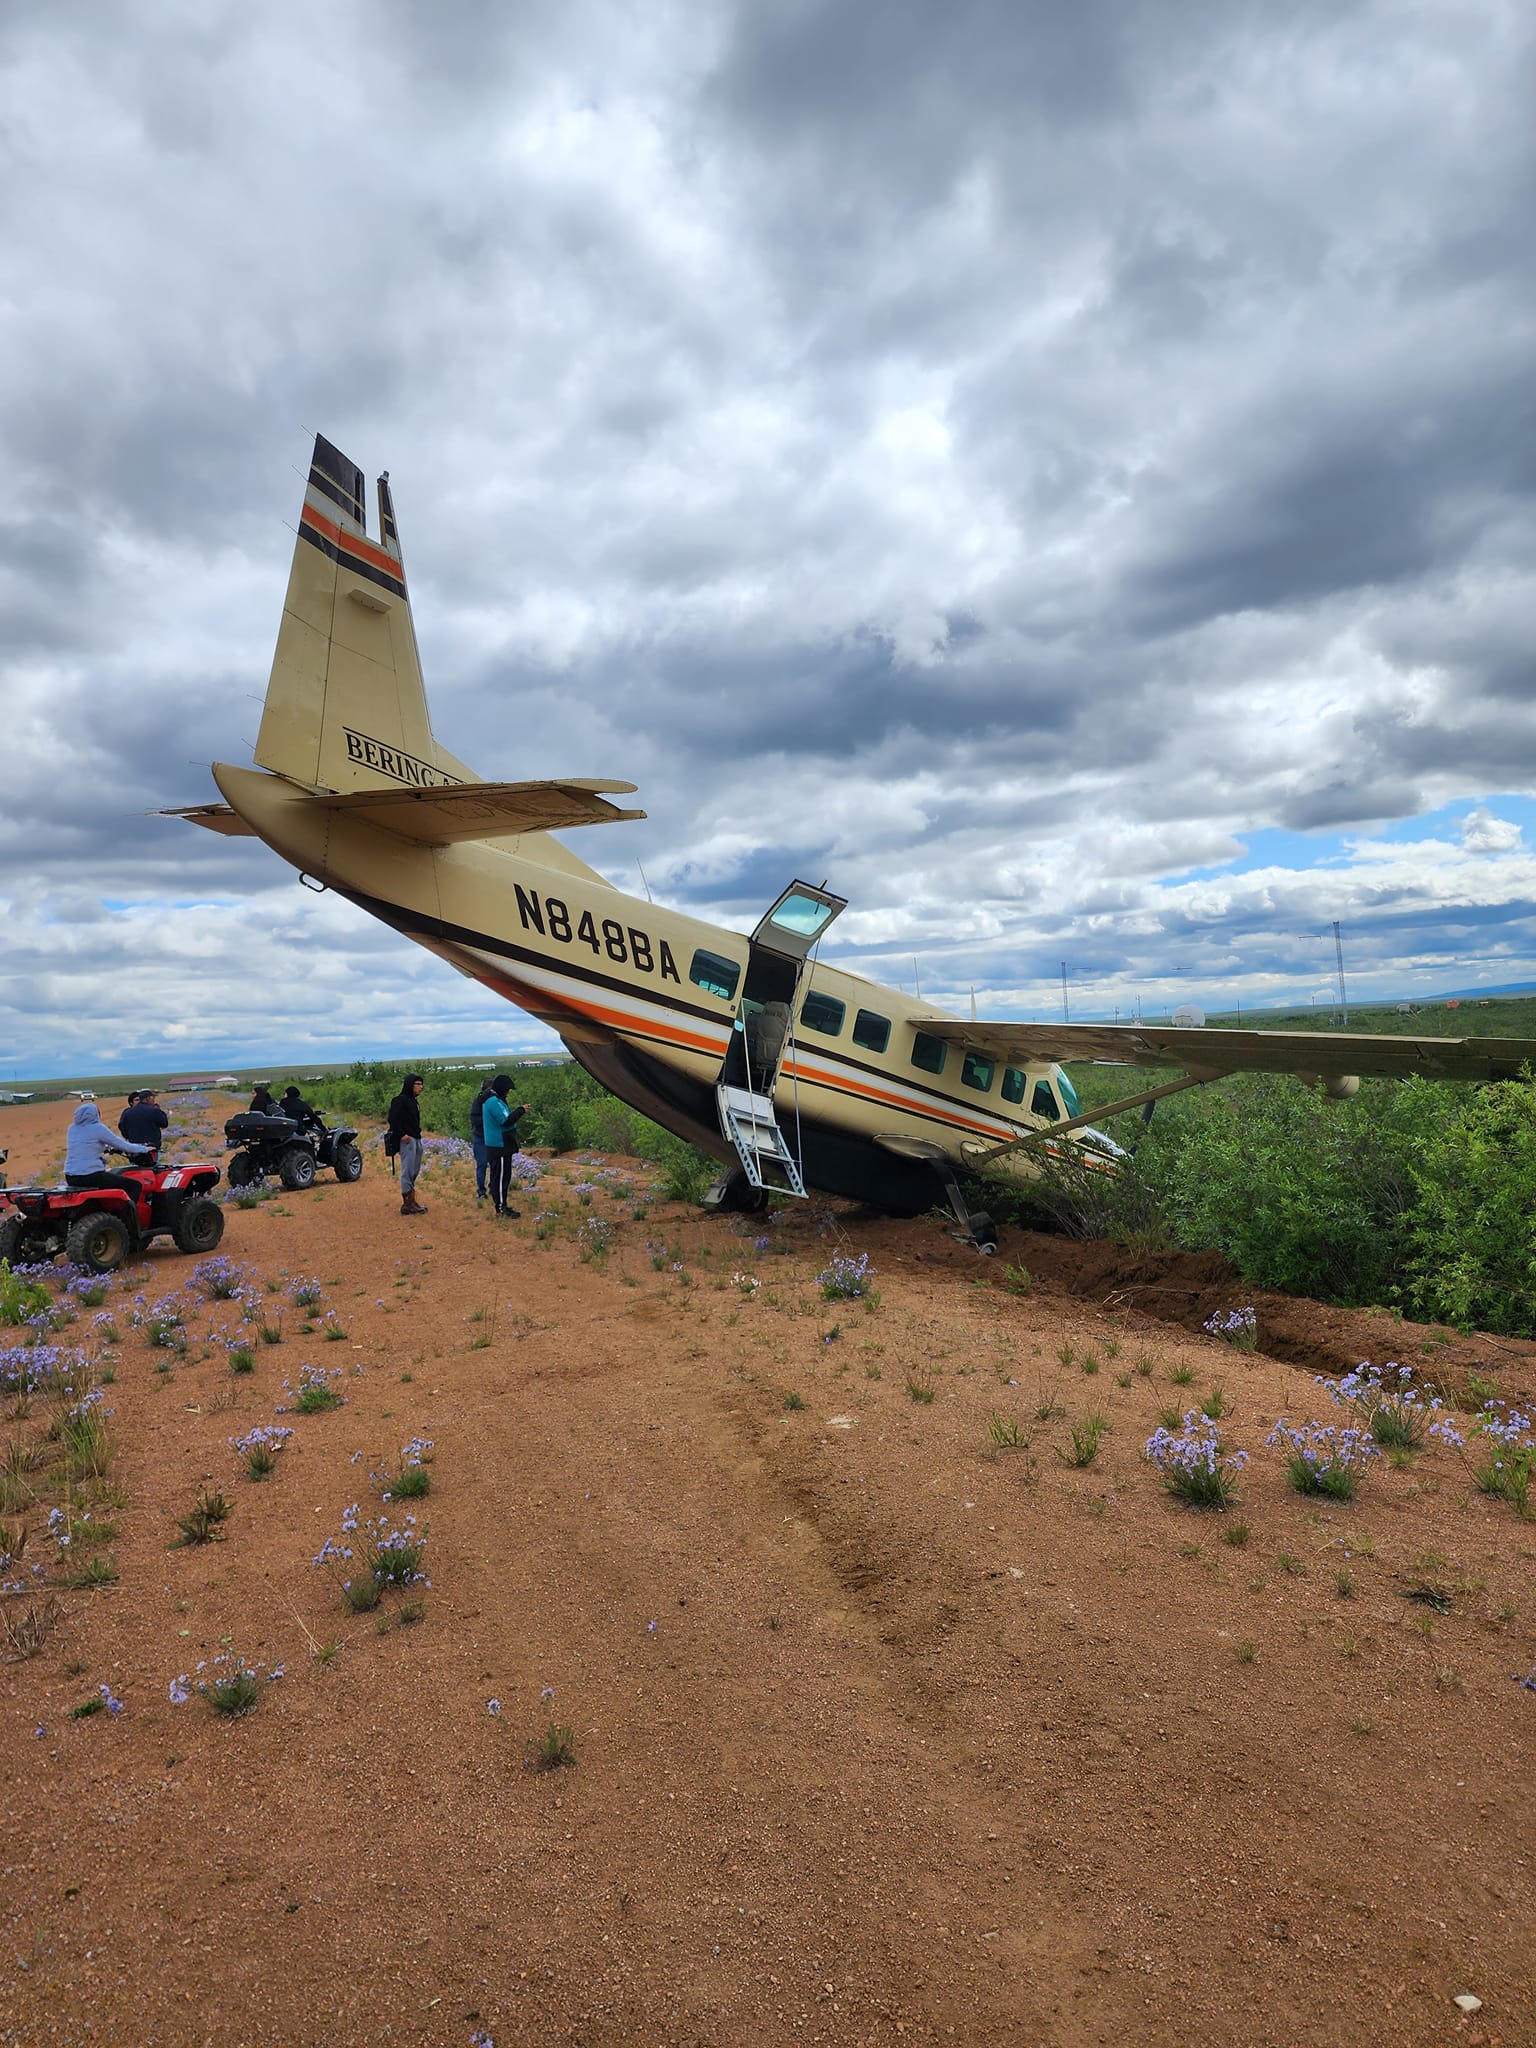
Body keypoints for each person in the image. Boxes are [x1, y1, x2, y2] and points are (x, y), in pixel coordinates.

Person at [64, 1101, 154, 1196]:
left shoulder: (72, 1128)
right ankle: (126, 1211)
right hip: (90, 1175)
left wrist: (106, 1147)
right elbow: (122, 1144)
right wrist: (144, 1149)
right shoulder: (97, 1128)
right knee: (134, 1186)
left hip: (71, 1176)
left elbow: (85, 1144)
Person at [481, 1074, 529, 1218]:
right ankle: (501, 1208)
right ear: (502, 1088)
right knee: (502, 1178)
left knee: (499, 1177)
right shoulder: (494, 1102)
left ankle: (501, 1206)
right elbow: (506, 1121)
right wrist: (520, 1111)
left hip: (500, 1145)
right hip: (499, 1146)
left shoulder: (495, 1101)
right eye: (507, 1089)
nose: (508, 1092)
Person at [387, 1073, 427, 1217]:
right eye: (418, 1084)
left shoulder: (413, 1101)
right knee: (407, 1170)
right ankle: (407, 1204)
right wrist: (401, 1134)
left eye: (421, 1084)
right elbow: (393, 1119)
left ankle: (412, 1200)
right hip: (407, 1139)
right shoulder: (400, 1100)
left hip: (416, 1138)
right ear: (410, 1085)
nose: (421, 1087)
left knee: (414, 1170)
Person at [119, 1088, 169, 1162]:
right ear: (148, 1098)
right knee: (152, 1169)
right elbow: (164, 1123)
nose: (154, 1100)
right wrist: (159, 1111)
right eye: (153, 1097)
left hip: (133, 1147)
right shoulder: (153, 1110)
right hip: (151, 1148)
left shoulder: (127, 1112)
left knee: (136, 1170)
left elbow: (122, 1127)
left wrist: (130, 1137)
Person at [468, 1076, 495, 1201]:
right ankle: (481, 1191)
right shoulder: (478, 1102)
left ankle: (493, 1188)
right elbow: (474, 1119)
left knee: (495, 1165)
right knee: (482, 1164)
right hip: (480, 1137)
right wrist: (488, 1122)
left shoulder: (496, 1102)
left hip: (493, 1137)